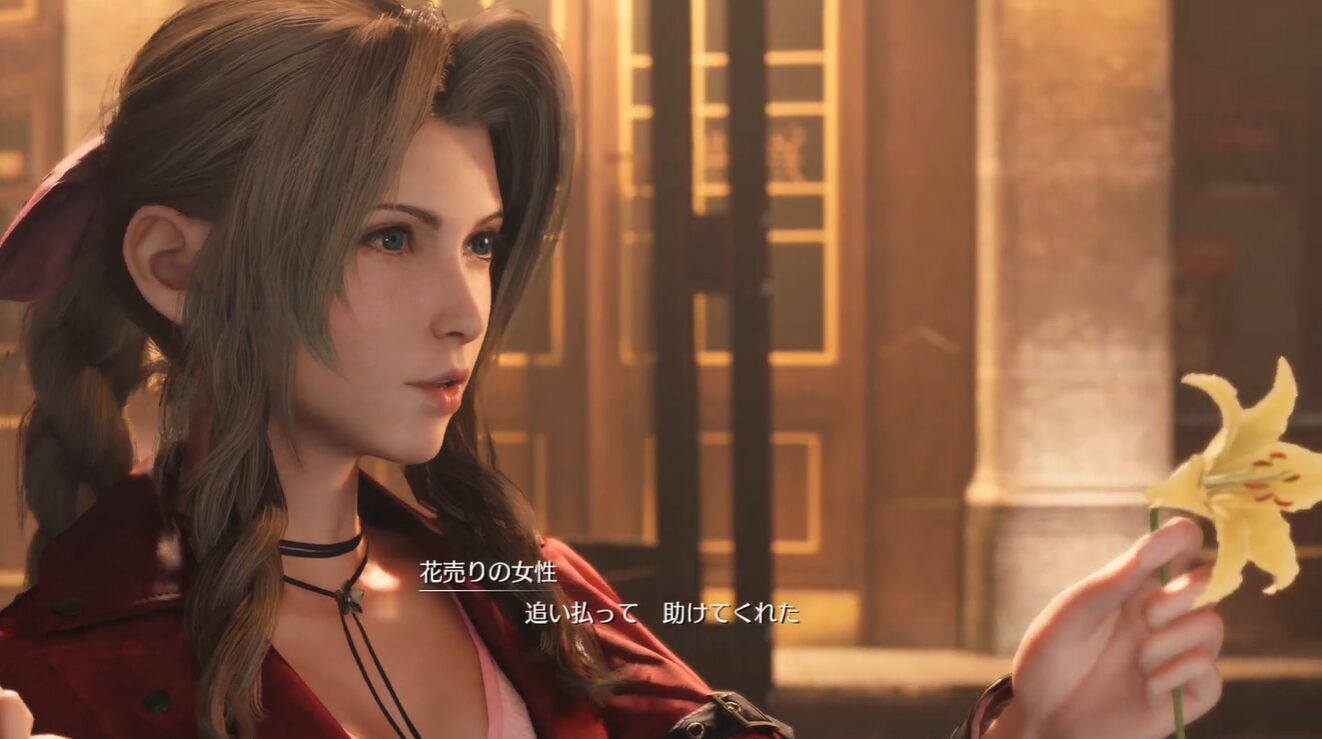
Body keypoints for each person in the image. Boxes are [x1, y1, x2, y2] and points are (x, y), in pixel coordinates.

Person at [0, 1, 1224, 737]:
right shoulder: (51, 678)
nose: (464, 311)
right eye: (390, 238)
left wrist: (1033, 727)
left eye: (481, 243)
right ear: (174, 267)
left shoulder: (528, 594)